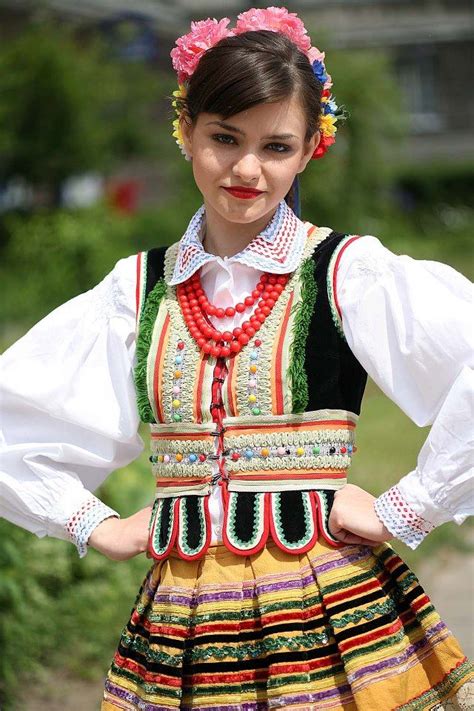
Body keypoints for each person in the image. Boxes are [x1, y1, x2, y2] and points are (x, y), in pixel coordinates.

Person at [1, 6, 473, 710]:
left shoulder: (346, 272)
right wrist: (92, 522)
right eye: (225, 137)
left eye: (276, 146)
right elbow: (15, 421)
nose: (247, 168)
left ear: (312, 145)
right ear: (185, 131)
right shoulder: (137, 291)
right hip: (182, 627)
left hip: (330, 608)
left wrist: (409, 508)